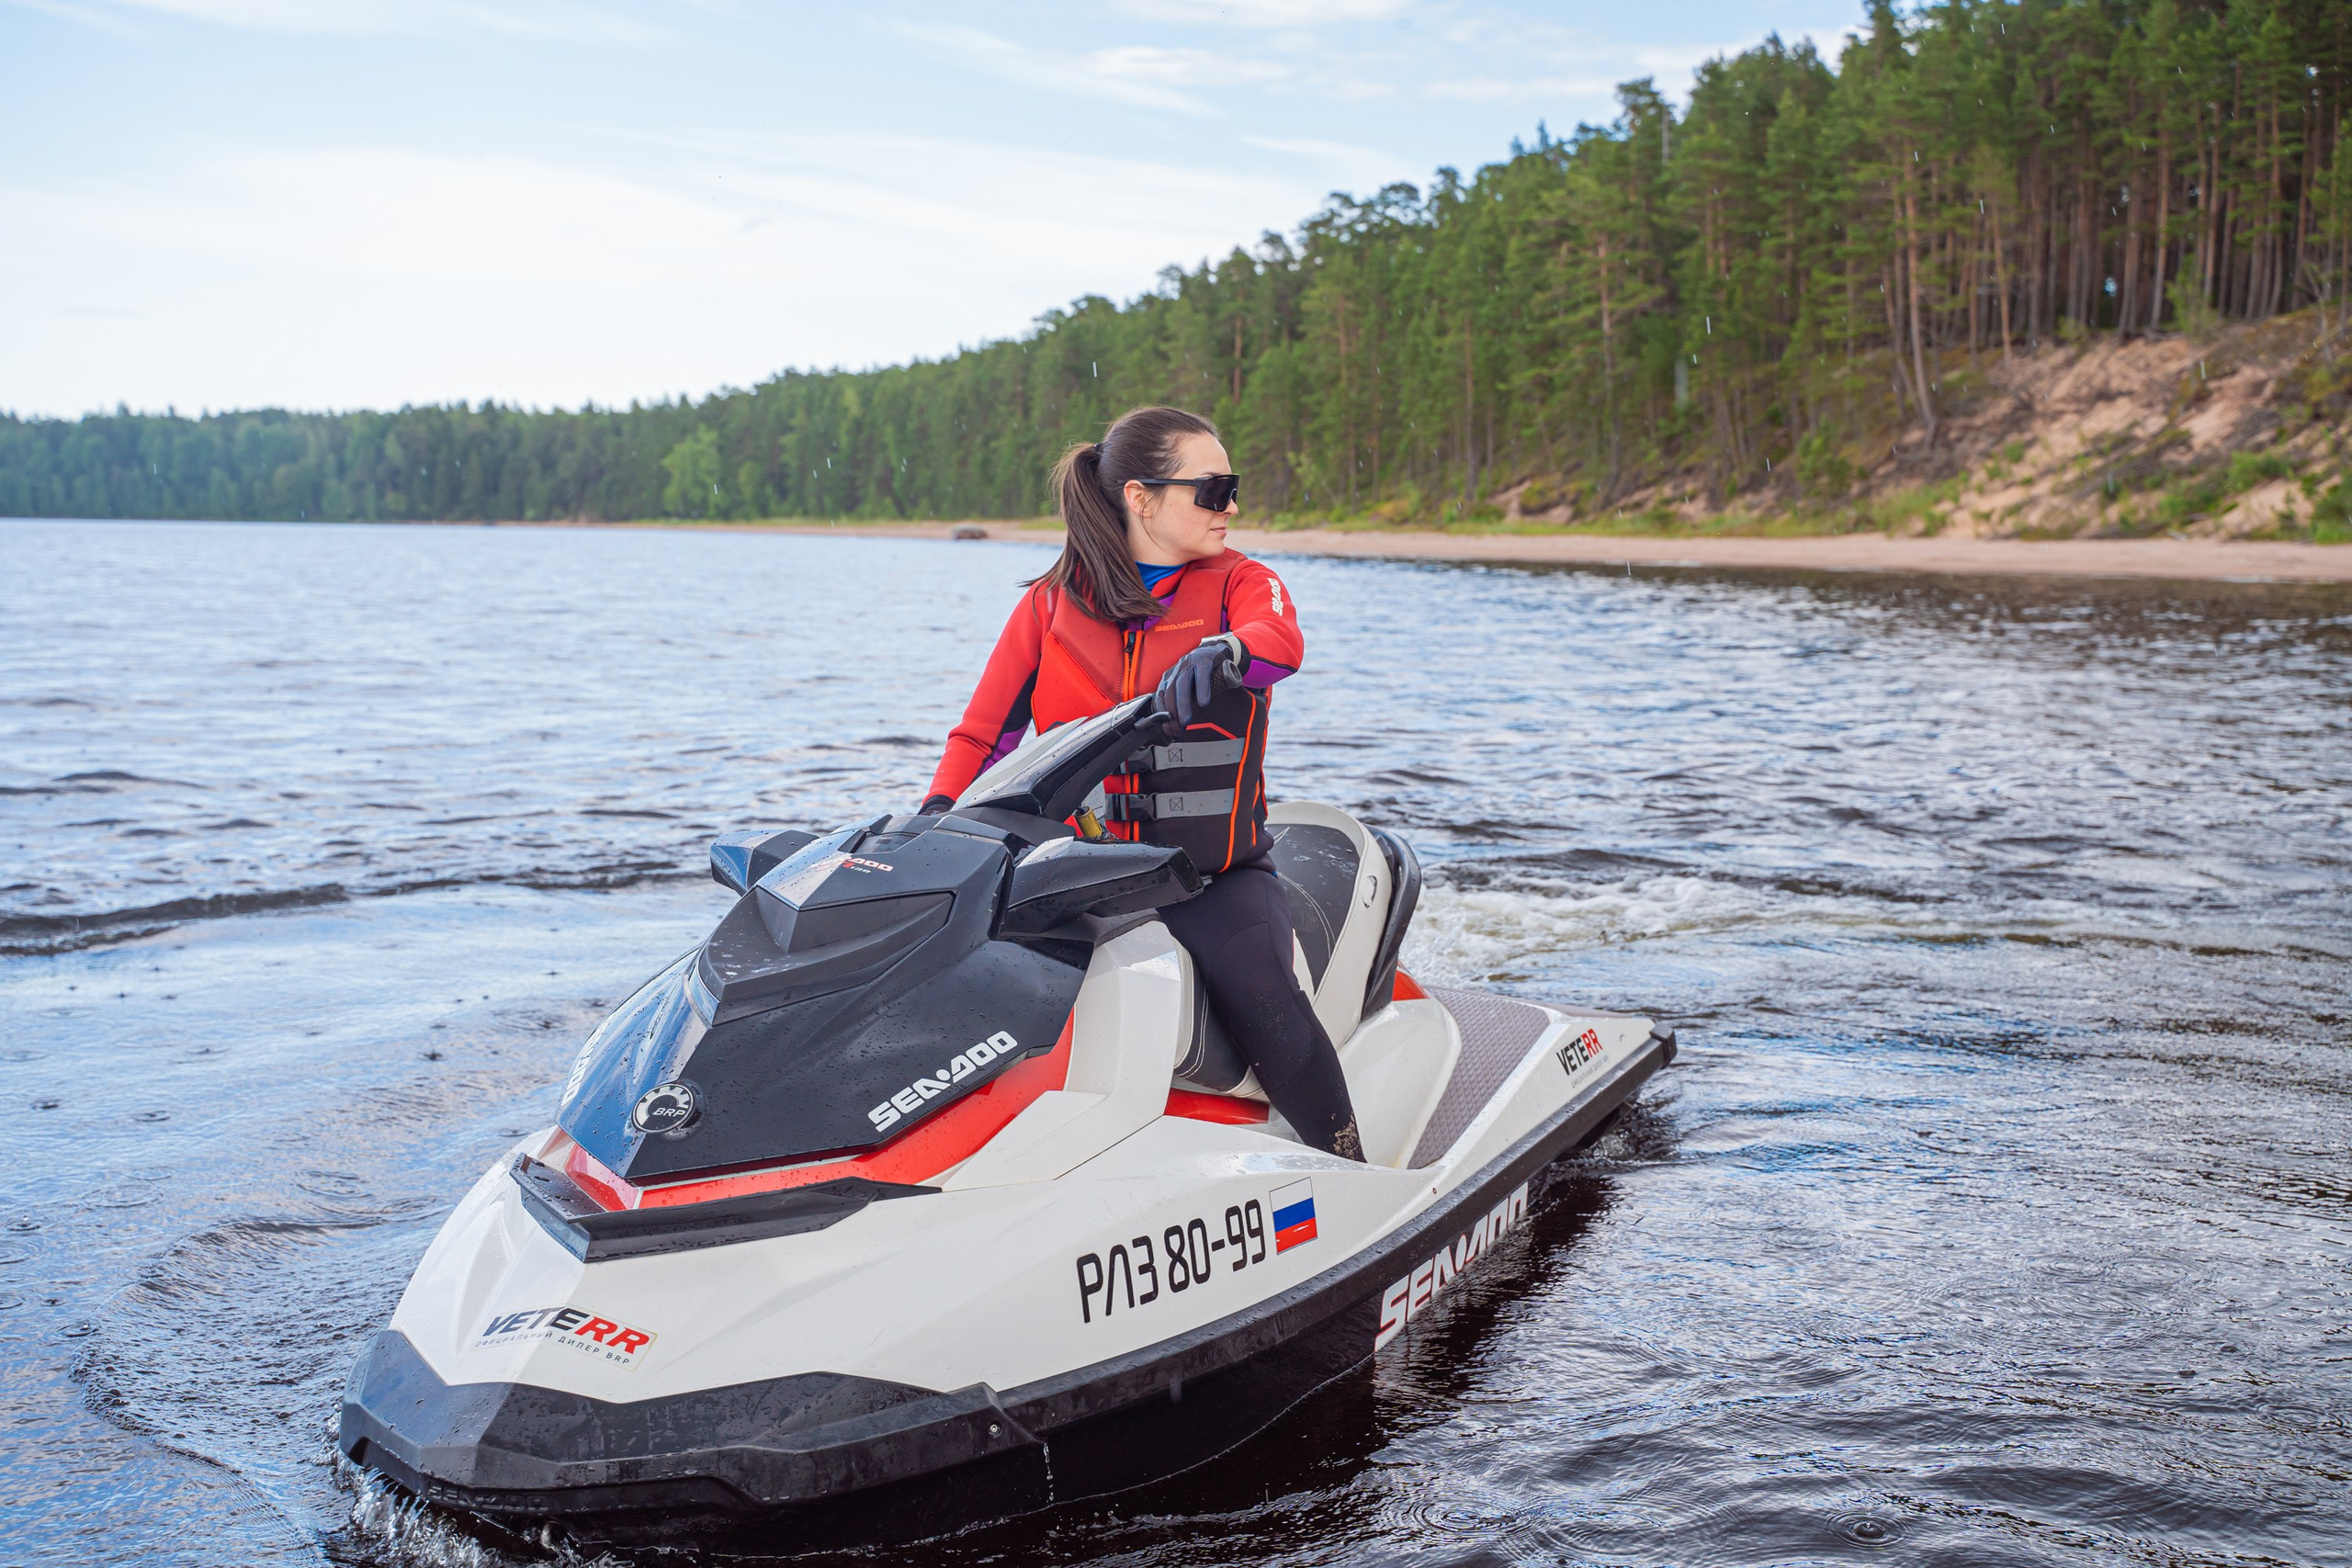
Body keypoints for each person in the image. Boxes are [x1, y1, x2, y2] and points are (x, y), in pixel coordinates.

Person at [919, 405, 1363, 1161]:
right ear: (1141, 496)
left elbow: (1279, 643)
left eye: (1232, 487)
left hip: (1209, 877)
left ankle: (1350, 1159)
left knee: (1262, 993)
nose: (1232, 506)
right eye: (1213, 488)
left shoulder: (1243, 585)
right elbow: (984, 736)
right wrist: (931, 822)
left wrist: (1227, 653)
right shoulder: (1048, 604)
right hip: (1073, 874)